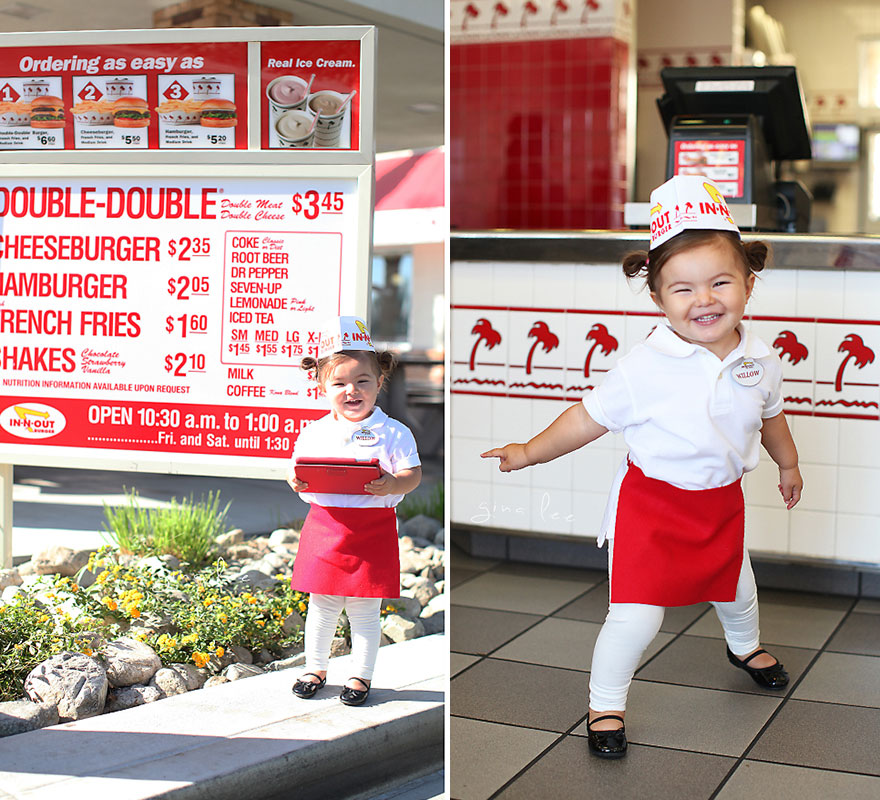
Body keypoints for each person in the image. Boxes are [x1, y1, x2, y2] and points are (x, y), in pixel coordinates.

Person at [482, 175, 803, 758]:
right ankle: (605, 704)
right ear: (658, 298)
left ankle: (744, 646)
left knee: (737, 588)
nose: (703, 299)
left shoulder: (761, 357)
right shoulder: (644, 366)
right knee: (635, 618)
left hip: (720, 501)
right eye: (682, 289)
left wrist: (788, 464)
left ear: (748, 286)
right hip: (653, 508)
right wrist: (528, 450)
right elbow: (586, 418)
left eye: (720, 282)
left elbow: (772, 418)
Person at [287, 316, 421, 706]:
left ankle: (360, 676)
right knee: (322, 604)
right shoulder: (313, 432)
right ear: (321, 386)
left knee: (364, 608)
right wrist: (295, 481)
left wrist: (395, 483)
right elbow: (298, 471)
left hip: (372, 528)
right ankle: (315, 667)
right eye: (340, 383)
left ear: (380, 382)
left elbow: (412, 472)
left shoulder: (394, 432)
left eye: (363, 381)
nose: (352, 390)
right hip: (325, 527)